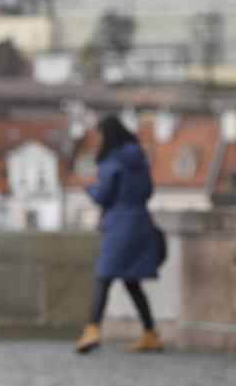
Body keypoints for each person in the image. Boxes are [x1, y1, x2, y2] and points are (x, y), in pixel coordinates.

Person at [76, 115, 163, 354]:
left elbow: (102, 196)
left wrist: (88, 187)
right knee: (132, 281)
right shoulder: (139, 158)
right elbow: (148, 191)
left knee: (103, 277)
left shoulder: (111, 162)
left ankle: (92, 330)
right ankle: (150, 332)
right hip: (141, 222)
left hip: (119, 225)